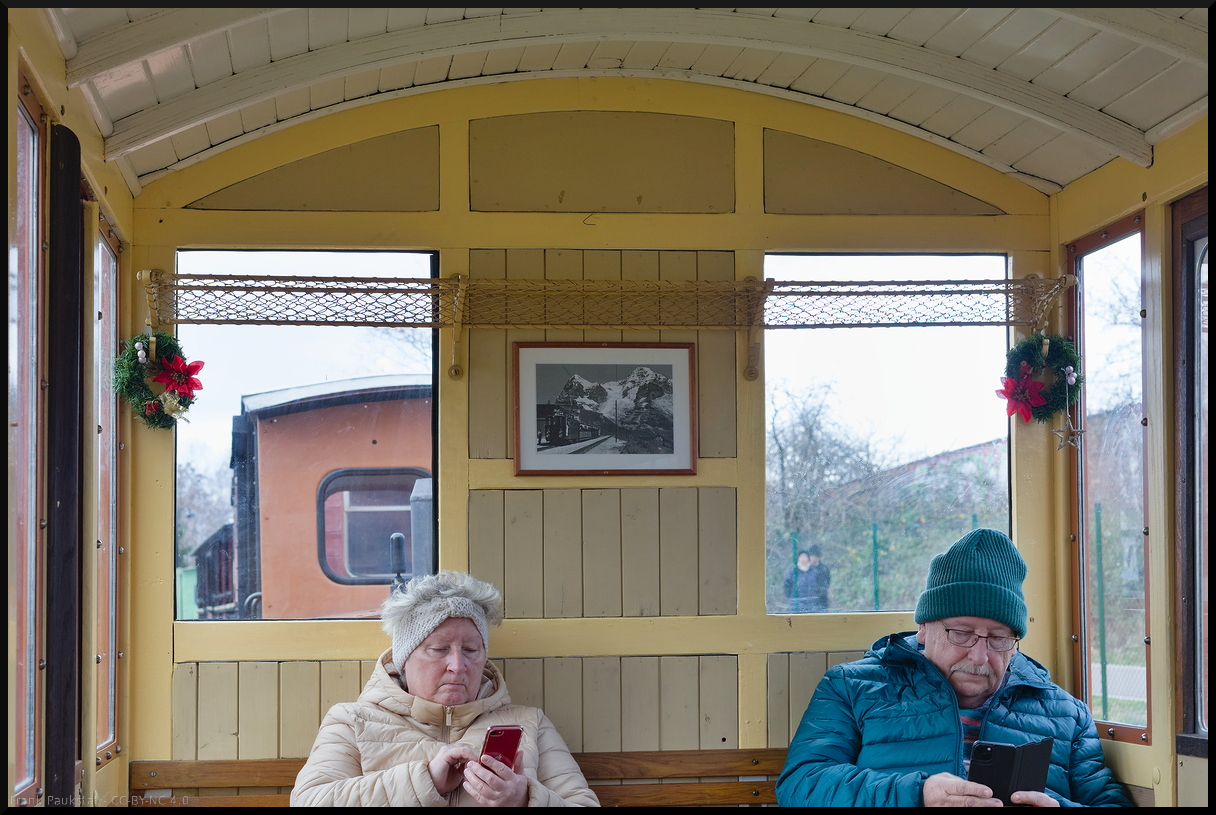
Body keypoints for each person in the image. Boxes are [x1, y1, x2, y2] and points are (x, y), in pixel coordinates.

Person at [776, 528, 1132, 807]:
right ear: (924, 627)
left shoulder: (1066, 713)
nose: (979, 657)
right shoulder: (851, 687)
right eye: (961, 633)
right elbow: (801, 784)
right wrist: (918, 795)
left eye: (997, 639)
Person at [291, 571, 600, 807]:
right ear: (404, 658)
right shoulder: (352, 721)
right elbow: (309, 800)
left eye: (470, 650)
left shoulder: (530, 723)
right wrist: (422, 781)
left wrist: (524, 798)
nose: (457, 665)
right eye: (439, 649)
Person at [784, 544, 831, 612]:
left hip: (814, 606)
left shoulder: (817, 572)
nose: (803, 559)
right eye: (801, 557)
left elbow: (823, 587)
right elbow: (787, 587)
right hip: (796, 607)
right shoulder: (792, 572)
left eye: (805, 557)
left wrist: (817, 600)